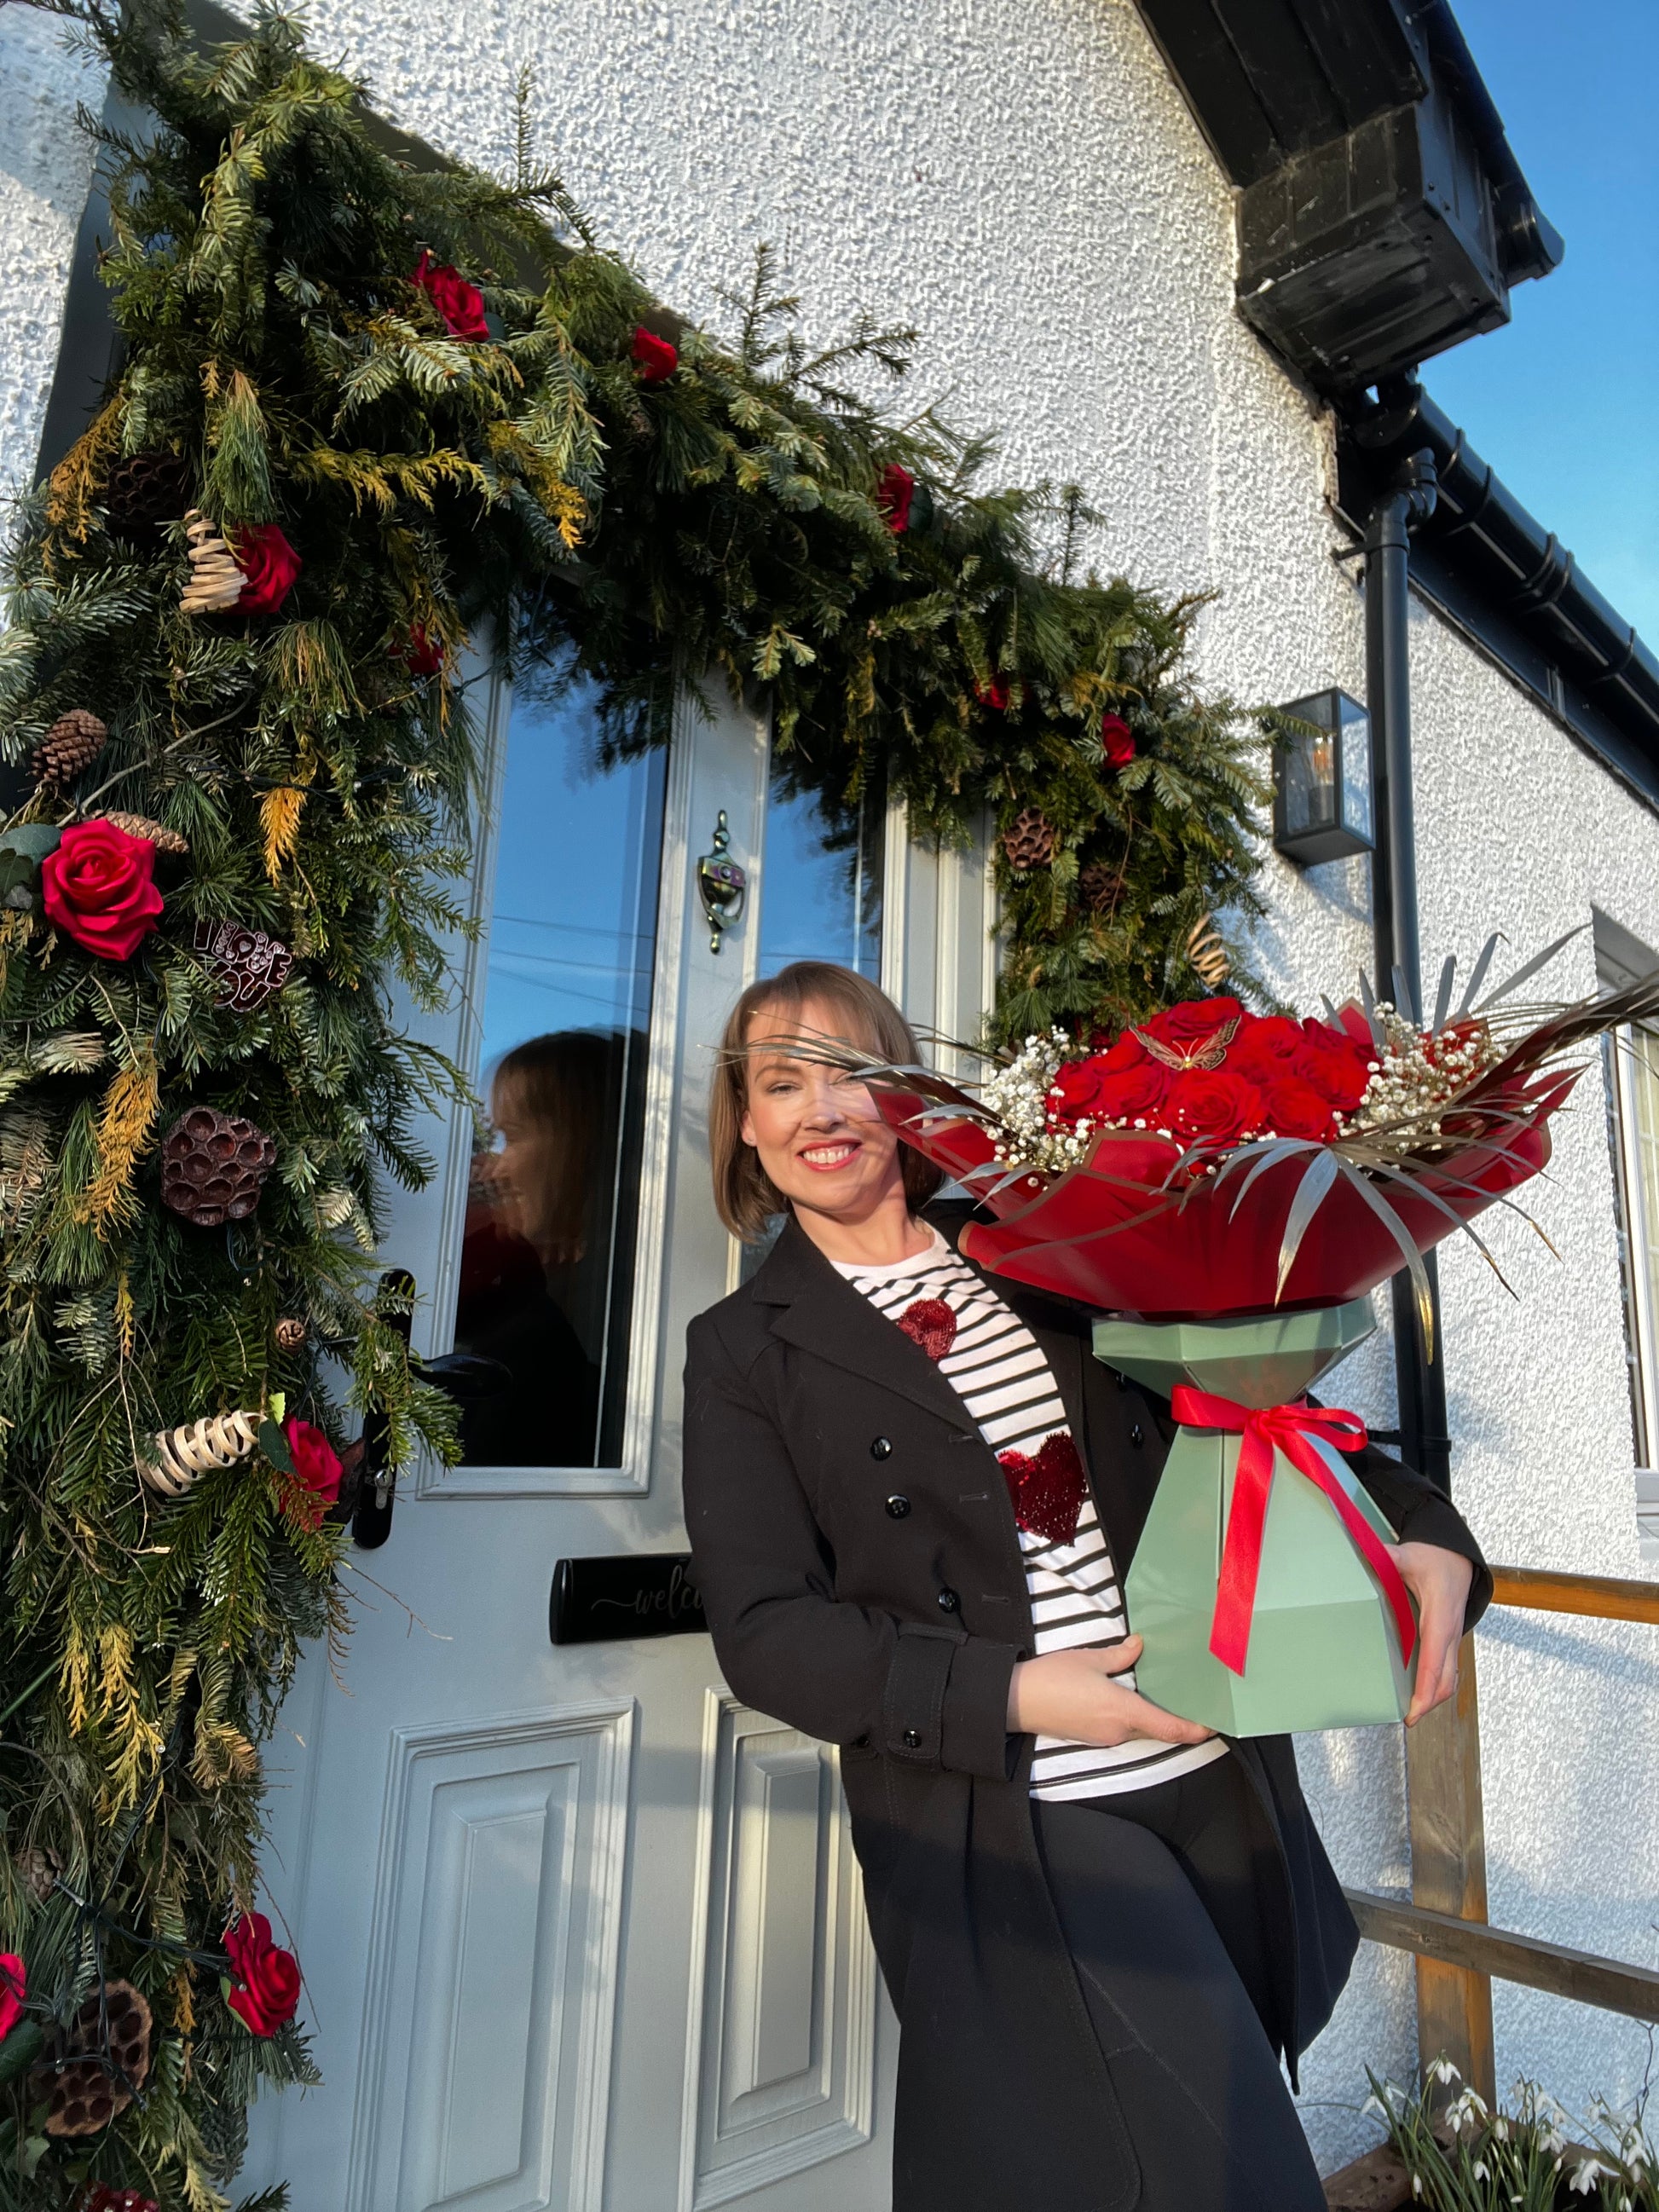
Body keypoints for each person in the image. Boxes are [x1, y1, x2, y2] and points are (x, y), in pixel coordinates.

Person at [681, 960, 1488, 2212]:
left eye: (852, 1072)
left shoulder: (1045, 1250)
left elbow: (1243, 1409)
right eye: (783, 1083)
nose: (822, 1111)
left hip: (1212, 1776)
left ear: (910, 1096)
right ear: (745, 1122)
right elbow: (766, 1633)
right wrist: (1017, 1694)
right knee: (1239, 2178)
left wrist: (1426, 1531)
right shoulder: (742, 1350)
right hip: (1024, 1817)